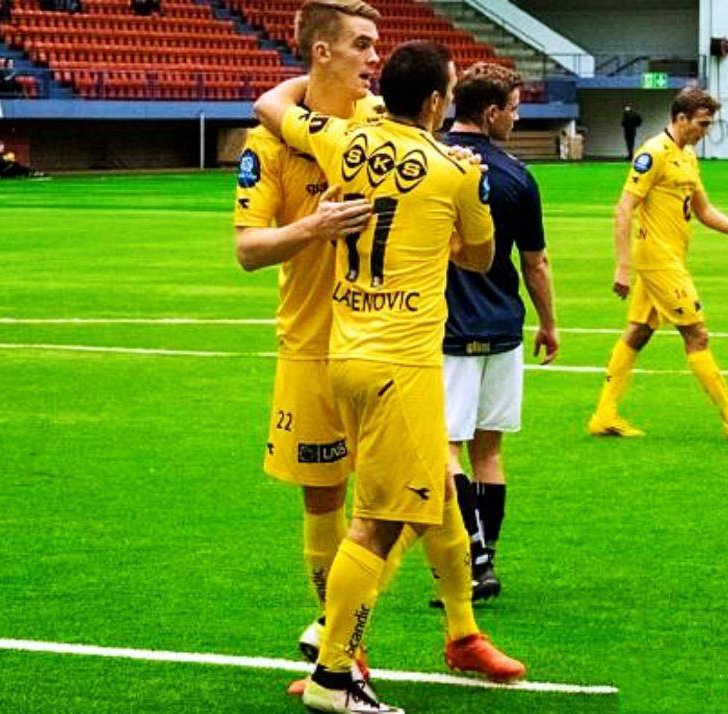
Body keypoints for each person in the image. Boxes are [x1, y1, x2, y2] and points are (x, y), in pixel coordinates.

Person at [255, 40, 527, 713]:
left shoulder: (343, 141)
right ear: (435, 102)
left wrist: (323, 81)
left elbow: (271, 105)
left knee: (437, 494)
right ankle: (333, 670)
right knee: (378, 524)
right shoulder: (454, 170)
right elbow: (481, 257)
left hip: (345, 354)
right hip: (401, 365)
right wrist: (444, 221)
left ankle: (462, 634)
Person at [232, 0, 385, 693]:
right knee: (325, 502)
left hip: (386, 342)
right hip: (311, 349)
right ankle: (342, 644)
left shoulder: (379, 123)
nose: (374, 58)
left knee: (423, 495)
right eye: (361, 45)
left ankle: (457, 629)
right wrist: (313, 229)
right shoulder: (266, 145)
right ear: (322, 52)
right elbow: (248, 250)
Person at [432, 62, 558, 605]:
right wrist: (548, 323)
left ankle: (472, 561)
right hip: (503, 324)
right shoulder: (517, 176)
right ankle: (485, 559)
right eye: (513, 108)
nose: (516, 117)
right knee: (489, 452)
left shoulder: (430, 160)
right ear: (490, 113)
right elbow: (535, 263)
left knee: (446, 450)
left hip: (447, 327)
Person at [588, 86, 728, 440]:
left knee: (638, 332)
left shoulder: (687, 156)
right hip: (658, 261)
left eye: (708, 124)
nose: (705, 132)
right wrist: (622, 266)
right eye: (701, 124)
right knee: (697, 334)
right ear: (681, 118)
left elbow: (704, 211)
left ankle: (604, 415)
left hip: (671, 258)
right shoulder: (653, 153)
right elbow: (624, 208)